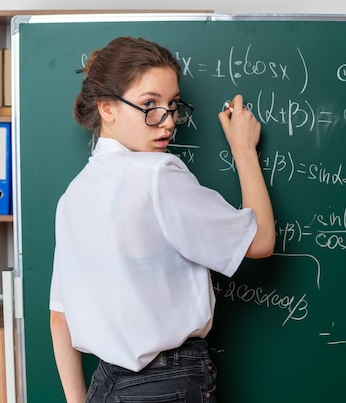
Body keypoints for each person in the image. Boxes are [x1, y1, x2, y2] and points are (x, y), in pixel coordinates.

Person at [49, 36, 275, 403]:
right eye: (149, 105)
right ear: (107, 108)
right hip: (166, 384)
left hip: (104, 387)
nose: (167, 122)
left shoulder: (73, 194)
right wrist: (243, 149)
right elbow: (261, 242)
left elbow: (60, 318)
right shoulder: (158, 174)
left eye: (172, 105)